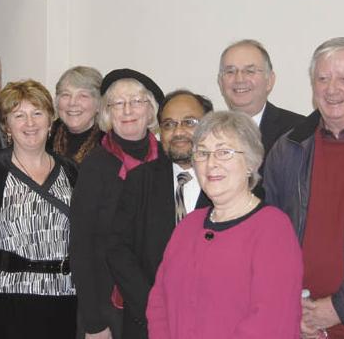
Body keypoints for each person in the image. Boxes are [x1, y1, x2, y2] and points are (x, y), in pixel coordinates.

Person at [147, 111, 303, 338]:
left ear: (250, 162)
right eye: (202, 153)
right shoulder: (189, 225)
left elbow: (270, 321)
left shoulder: (272, 229)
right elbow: (159, 302)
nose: (211, 163)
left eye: (224, 152)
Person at [0, 80, 78, 338]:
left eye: (37, 113)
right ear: (7, 125)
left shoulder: (71, 171)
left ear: (50, 121)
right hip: (6, 299)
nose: (30, 123)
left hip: (64, 296)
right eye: (19, 115)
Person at [106, 89, 213, 339]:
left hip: (212, 323)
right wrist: (153, 307)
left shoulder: (227, 182)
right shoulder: (139, 180)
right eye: (168, 124)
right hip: (148, 324)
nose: (178, 132)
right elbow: (117, 249)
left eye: (189, 122)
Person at [264, 37, 344, 339]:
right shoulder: (287, 149)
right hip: (301, 322)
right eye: (323, 78)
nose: (332, 89)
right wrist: (292, 306)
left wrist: (342, 307)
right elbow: (270, 240)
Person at [70, 68, 165, 339]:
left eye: (136, 101)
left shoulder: (166, 162)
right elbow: (81, 246)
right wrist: (93, 322)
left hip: (159, 300)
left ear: (151, 111)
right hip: (107, 305)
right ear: (107, 113)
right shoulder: (95, 165)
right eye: (118, 103)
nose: (127, 110)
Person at [218, 39, 304, 197]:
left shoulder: (299, 130)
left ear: (269, 81)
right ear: (221, 82)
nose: (239, 79)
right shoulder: (212, 134)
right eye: (230, 71)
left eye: (250, 71)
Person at [48, 66, 105, 163]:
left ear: (99, 104)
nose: (72, 102)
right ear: (57, 102)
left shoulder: (109, 145)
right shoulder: (45, 137)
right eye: (66, 95)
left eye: (83, 96)